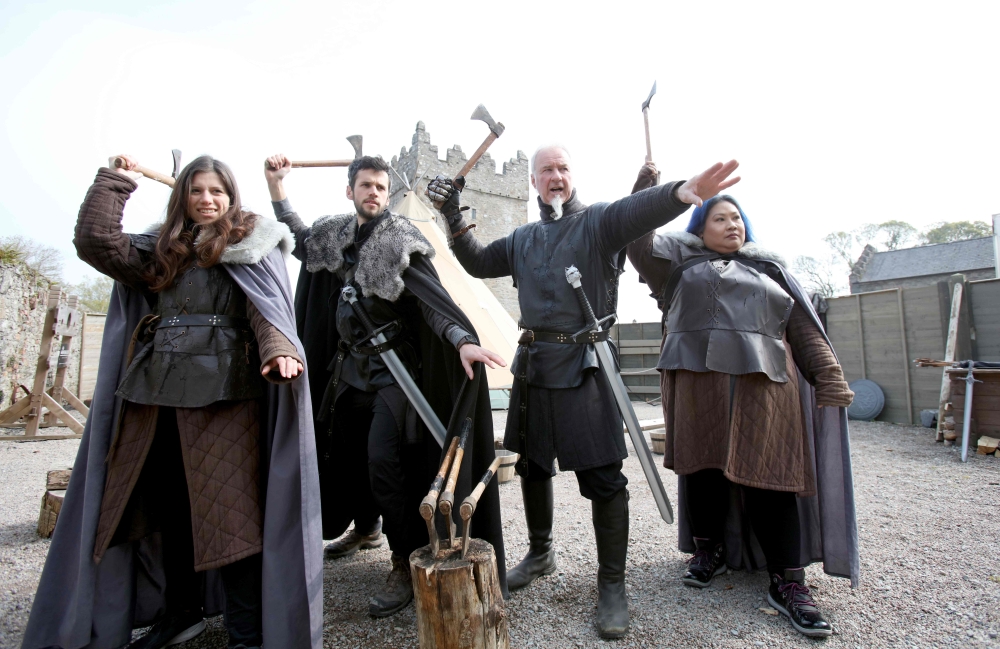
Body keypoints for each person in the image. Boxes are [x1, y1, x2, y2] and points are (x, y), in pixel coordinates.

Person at [425, 147, 740, 639]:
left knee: (604, 480)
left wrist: (681, 193)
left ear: (572, 177)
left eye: (563, 169)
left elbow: (635, 210)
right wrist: (451, 215)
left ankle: (612, 583)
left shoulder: (597, 224)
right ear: (534, 181)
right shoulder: (523, 239)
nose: (555, 177)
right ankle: (541, 552)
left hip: (585, 365)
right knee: (531, 464)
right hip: (534, 364)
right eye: (546, 170)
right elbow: (477, 260)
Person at [22, 155, 324, 649]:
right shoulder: (161, 249)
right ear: (182, 196)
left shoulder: (251, 243)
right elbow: (97, 243)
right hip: (154, 401)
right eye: (197, 191)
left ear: (231, 198)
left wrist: (281, 351)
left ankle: (246, 636)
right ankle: (180, 615)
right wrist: (115, 183)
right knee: (169, 512)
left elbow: (265, 309)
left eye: (217, 192)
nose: (207, 200)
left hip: (225, 402)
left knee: (232, 524)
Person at [264, 153, 509, 617]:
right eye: (365, 186)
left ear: (386, 191)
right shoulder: (333, 235)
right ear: (351, 191)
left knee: (383, 458)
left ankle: (402, 557)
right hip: (347, 370)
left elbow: (433, 301)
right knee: (345, 449)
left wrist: (460, 339)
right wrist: (277, 188)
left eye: (379, 186)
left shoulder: (400, 240)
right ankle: (366, 526)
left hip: (394, 371)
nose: (373, 192)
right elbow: (298, 238)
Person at [626, 170, 860, 639]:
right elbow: (636, 240)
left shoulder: (771, 271)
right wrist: (647, 191)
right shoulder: (676, 268)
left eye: (737, 217)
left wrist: (829, 376)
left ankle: (788, 581)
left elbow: (803, 330)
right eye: (719, 218)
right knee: (704, 470)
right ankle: (707, 549)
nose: (732, 224)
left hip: (767, 388)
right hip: (698, 387)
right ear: (699, 229)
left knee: (773, 477)